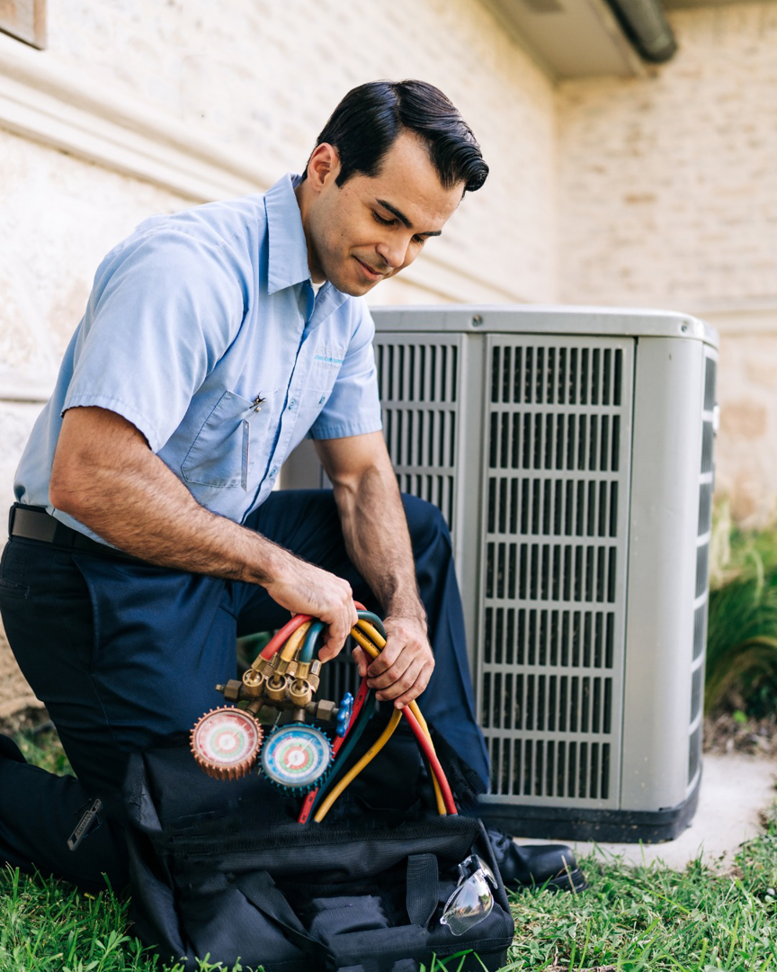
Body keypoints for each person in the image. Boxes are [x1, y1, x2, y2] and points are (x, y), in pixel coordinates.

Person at [0, 79, 584, 894]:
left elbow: (361, 474)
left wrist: (406, 618)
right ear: (323, 166)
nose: (397, 256)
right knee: (203, 858)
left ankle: (449, 827)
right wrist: (277, 568)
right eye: (386, 218)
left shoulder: (344, 309)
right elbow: (89, 479)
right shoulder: (187, 267)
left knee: (408, 534)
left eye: (423, 236)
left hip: (212, 553)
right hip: (92, 569)